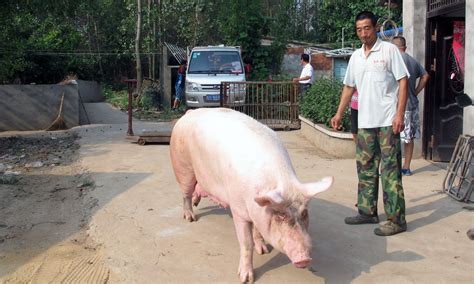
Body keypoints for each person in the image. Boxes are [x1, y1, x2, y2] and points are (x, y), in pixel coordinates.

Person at [330, 11, 410, 236]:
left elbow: (403, 81)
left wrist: (399, 114)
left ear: (375, 28)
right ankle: (367, 211)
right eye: (359, 30)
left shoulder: (389, 50)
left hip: (387, 121)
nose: (363, 33)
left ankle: (396, 219)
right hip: (365, 122)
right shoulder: (356, 57)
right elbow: (348, 87)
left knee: (390, 170)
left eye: (367, 28)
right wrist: (338, 114)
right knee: (365, 168)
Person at [391, 36, 430, 176]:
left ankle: (392, 167)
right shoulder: (412, 60)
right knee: (409, 137)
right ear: (405, 47)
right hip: (411, 105)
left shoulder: (394, 59)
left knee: (392, 136)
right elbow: (425, 76)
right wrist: (415, 92)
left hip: (395, 105)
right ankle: (406, 167)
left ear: (393, 48)